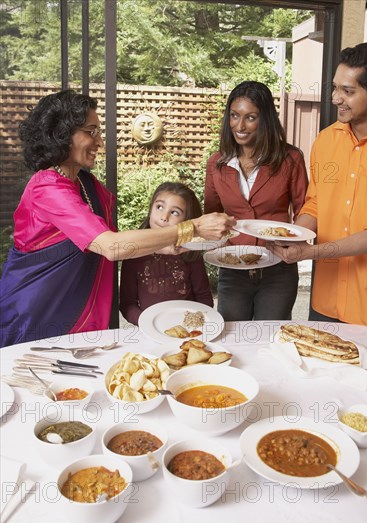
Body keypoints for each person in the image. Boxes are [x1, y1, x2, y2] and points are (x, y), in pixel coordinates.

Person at [0, 90, 234, 346]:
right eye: (91, 131)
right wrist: (193, 227)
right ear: (63, 134)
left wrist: (166, 243)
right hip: (39, 310)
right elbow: (112, 246)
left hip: (77, 309)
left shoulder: (85, 183)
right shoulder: (47, 188)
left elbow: (117, 240)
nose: (99, 141)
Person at [268, 42, 367, 333]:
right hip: (326, 300)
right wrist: (294, 236)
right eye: (335, 88)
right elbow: (315, 204)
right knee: (322, 377)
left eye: (348, 92)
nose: (335, 98)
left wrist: (312, 253)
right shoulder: (326, 141)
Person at [204, 81, 309, 321]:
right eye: (234, 116)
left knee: (269, 340)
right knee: (232, 339)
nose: (239, 126)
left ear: (265, 120)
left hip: (278, 270)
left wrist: (295, 246)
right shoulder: (216, 164)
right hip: (232, 268)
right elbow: (211, 215)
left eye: (250, 117)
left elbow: (305, 210)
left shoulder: (290, 159)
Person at [120, 182, 214, 325]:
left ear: (187, 222)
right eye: (159, 207)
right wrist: (146, 323)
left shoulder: (190, 253)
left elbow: (204, 298)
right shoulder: (134, 253)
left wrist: (197, 323)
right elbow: (127, 304)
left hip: (188, 330)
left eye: (174, 212)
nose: (164, 217)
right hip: (149, 331)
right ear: (150, 209)